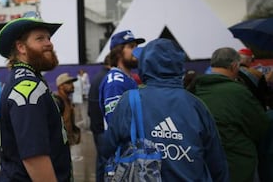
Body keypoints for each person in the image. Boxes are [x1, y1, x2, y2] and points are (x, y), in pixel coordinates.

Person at [101, 38, 230, 181]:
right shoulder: (196, 106)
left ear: (145, 65)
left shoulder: (130, 101)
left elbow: (108, 147)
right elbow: (217, 163)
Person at [0, 12, 72, 181]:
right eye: (40, 39)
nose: (49, 44)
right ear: (21, 47)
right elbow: (34, 157)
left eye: (48, 38)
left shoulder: (29, 80)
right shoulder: (27, 86)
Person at [193, 47, 269, 182]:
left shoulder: (194, 89)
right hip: (237, 165)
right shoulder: (239, 92)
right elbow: (261, 126)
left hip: (204, 164)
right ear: (234, 66)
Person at [99, 30, 145, 125]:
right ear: (118, 52)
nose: (136, 51)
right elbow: (118, 124)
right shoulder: (115, 82)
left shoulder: (126, 78)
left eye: (136, 47)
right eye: (131, 47)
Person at [87, 54, 110, 182]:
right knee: (104, 161)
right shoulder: (106, 78)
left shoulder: (98, 77)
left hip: (97, 127)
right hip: (102, 128)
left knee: (101, 160)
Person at [54, 72, 80, 146]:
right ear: (61, 86)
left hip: (67, 142)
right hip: (60, 144)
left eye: (72, 83)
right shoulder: (57, 101)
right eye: (68, 83)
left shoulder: (67, 100)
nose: (72, 85)